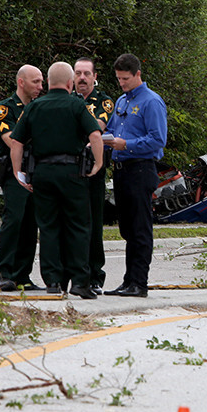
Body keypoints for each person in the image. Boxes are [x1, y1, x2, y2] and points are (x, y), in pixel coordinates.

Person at [9, 62, 104, 299]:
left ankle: (53, 281)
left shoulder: (34, 106)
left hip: (42, 173)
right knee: (79, 226)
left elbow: (17, 142)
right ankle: (80, 282)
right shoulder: (77, 104)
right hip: (72, 173)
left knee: (49, 227)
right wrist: (99, 163)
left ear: (48, 83)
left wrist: (17, 171)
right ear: (70, 83)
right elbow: (95, 134)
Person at [103, 53, 167, 298]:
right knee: (127, 230)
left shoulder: (151, 102)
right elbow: (112, 129)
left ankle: (139, 282)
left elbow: (157, 139)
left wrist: (125, 144)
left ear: (138, 74)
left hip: (140, 168)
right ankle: (128, 280)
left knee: (140, 229)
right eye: (119, 79)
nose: (122, 83)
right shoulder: (121, 101)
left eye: (126, 79)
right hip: (121, 171)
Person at [0, 65, 44, 291]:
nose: (40, 87)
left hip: (36, 170)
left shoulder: (39, 107)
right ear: (21, 82)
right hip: (16, 171)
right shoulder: (6, 108)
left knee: (31, 224)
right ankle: (2, 271)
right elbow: (11, 140)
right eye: (36, 82)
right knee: (14, 219)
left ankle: (22, 275)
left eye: (42, 82)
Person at [73, 57, 115, 295]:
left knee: (93, 224)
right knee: (71, 223)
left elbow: (97, 126)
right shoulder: (67, 99)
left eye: (86, 74)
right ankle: (74, 274)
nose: (82, 78)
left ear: (94, 77)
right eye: (78, 73)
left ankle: (95, 275)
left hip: (93, 169)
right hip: (69, 169)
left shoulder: (104, 101)